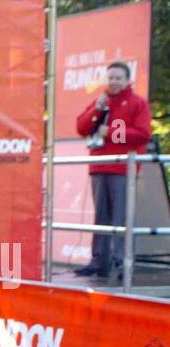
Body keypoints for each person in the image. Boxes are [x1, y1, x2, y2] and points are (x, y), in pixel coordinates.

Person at [74, 61, 152, 281]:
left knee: (120, 216)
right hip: (99, 166)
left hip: (121, 169)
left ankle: (121, 261)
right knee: (101, 216)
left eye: (118, 78)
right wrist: (97, 108)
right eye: (110, 78)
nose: (113, 82)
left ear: (128, 80)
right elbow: (81, 127)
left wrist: (111, 132)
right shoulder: (102, 101)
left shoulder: (137, 103)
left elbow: (142, 134)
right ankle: (98, 261)